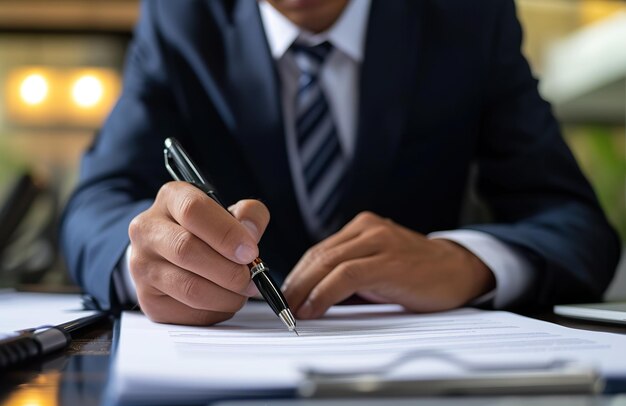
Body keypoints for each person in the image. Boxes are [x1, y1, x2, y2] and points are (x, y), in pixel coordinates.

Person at [61, 0, 620, 325]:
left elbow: (575, 224)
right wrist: (148, 261)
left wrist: (467, 262)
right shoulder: (182, 18)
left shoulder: (469, 17)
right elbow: (96, 205)